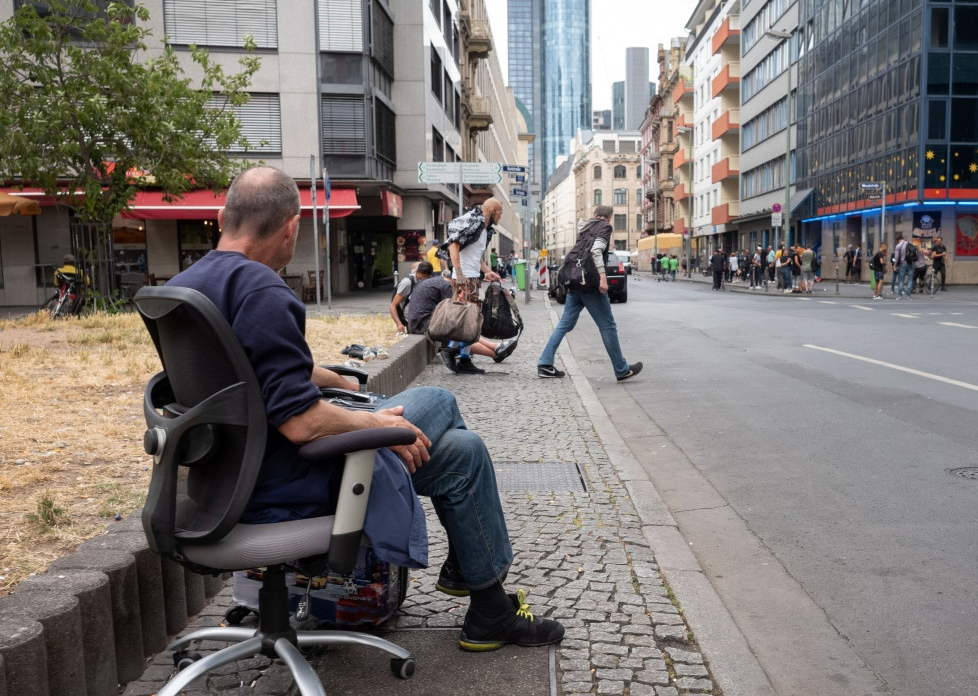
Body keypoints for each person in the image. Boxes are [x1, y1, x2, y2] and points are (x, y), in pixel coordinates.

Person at [166, 166, 562, 652]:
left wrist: (329, 379)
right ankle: (471, 577)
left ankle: (490, 609)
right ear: (291, 227)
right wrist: (374, 423)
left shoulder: (189, 285)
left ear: (226, 216)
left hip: (224, 475)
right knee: (438, 400)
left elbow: (241, 367)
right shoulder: (262, 290)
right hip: (284, 479)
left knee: (462, 451)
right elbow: (301, 423)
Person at [537, 205, 642, 382]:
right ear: (609, 218)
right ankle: (621, 369)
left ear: (594, 215)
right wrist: (603, 277)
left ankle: (544, 363)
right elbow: (595, 251)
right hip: (590, 285)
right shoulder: (605, 227)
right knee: (608, 326)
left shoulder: (584, 227)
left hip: (575, 282)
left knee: (565, 324)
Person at [437, 199, 505, 375]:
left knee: (471, 320)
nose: (500, 216)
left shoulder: (484, 229)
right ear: (490, 210)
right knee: (465, 319)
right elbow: (454, 245)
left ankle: (464, 360)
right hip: (464, 279)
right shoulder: (474, 223)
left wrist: (487, 272)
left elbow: (476, 255)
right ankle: (450, 351)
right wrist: (459, 274)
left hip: (473, 278)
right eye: (499, 212)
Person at [404, 272, 519, 372]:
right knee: (458, 330)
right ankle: (495, 352)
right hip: (425, 324)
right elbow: (453, 311)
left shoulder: (432, 282)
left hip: (417, 322)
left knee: (461, 329)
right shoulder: (446, 286)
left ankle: (497, 348)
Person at [390, 262, 432, 334]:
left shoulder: (430, 281)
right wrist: (399, 324)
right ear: (416, 272)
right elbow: (393, 305)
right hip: (410, 319)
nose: (422, 281)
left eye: (425, 279)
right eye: (420, 278)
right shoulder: (407, 283)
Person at [894, 234, 915, 300]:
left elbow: (896, 258)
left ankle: (900, 295)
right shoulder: (910, 243)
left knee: (901, 280)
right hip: (911, 263)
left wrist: (894, 265)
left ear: (898, 240)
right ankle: (908, 296)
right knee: (910, 280)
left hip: (903, 264)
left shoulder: (898, 246)